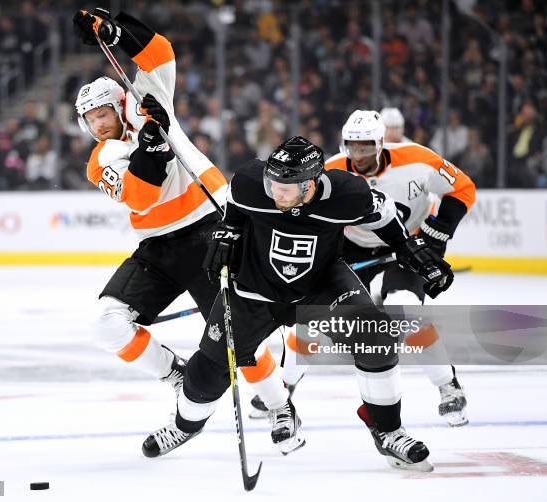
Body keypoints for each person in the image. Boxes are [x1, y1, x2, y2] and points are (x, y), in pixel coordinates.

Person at [143, 135, 454, 471]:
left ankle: (388, 430)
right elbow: (236, 200)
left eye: (285, 187)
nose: (275, 192)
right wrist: (228, 229)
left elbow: (384, 214)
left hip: (320, 284)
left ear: (310, 185)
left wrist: (410, 249)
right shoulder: (252, 182)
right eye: (272, 182)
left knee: (375, 336)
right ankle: (185, 426)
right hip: (252, 289)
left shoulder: (347, 195)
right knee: (208, 371)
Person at [73, 9, 289, 415]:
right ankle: (176, 375)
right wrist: (152, 148)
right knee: (108, 324)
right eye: (90, 119)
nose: (98, 124)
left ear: (120, 105)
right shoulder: (101, 160)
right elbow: (139, 196)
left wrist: (115, 31)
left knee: (239, 338)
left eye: (102, 113)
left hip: (211, 229)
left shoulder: (146, 106)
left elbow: (160, 52)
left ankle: (280, 406)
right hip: (159, 248)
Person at [276, 111, 475, 427]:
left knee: (406, 310)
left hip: (404, 245)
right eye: (353, 147)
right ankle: (281, 392)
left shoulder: (418, 159)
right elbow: (305, 217)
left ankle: (447, 386)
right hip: (351, 248)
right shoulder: (328, 171)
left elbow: (463, 188)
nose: (359, 155)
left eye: (367, 147)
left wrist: (438, 232)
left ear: (382, 143)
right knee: (311, 319)